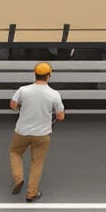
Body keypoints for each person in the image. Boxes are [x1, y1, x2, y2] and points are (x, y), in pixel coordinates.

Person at [8, 62, 64, 202]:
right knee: (37, 163)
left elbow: (13, 105)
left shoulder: (23, 90)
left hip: (22, 131)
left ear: (35, 74)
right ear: (49, 76)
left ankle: (18, 178)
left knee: (15, 152)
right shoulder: (54, 94)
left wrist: (22, 108)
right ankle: (31, 193)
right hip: (42, 134)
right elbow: (60, 116)